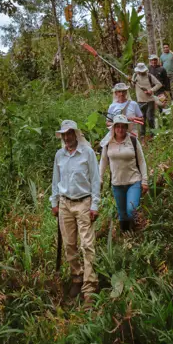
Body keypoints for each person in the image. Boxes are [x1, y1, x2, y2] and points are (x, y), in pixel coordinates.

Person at [50, 119, 100, 306]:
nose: (67, 137)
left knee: (87, 244)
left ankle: (90, 286)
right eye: (64, 134)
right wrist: (54, 202)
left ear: (76, 134)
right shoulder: (59, 155)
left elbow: (95, 180)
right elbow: (56, 180)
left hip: (84, 202)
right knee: (70, 244)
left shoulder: (87, 153)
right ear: (62, 136)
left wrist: (95, 205)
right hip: (65, 204)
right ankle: (76, 277)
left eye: (70, 133)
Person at [99, 115, 148, 232]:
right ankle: (126, 237)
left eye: (123, 127)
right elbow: (103, 161)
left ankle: (137, 228)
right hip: (117, 183)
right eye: (118, 127)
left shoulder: (133, 141)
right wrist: (99, 178)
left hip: (133, 181)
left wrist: (145, 181)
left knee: (131, 210)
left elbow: (141, 161)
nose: (120, 129)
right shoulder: (108, 143)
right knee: (122, 214)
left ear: (126, 128)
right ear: (114, 128)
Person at [131, 62, 162, 135]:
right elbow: (132, 86)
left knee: (150, 118)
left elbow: (159, 84)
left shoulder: (149, 76)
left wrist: (151, 90)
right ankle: (142, 134)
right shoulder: (135, 76)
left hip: (150, 100)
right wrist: (131, 82)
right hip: (140, 101)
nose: (141, 72)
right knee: (142, 119)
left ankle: (153, 133)